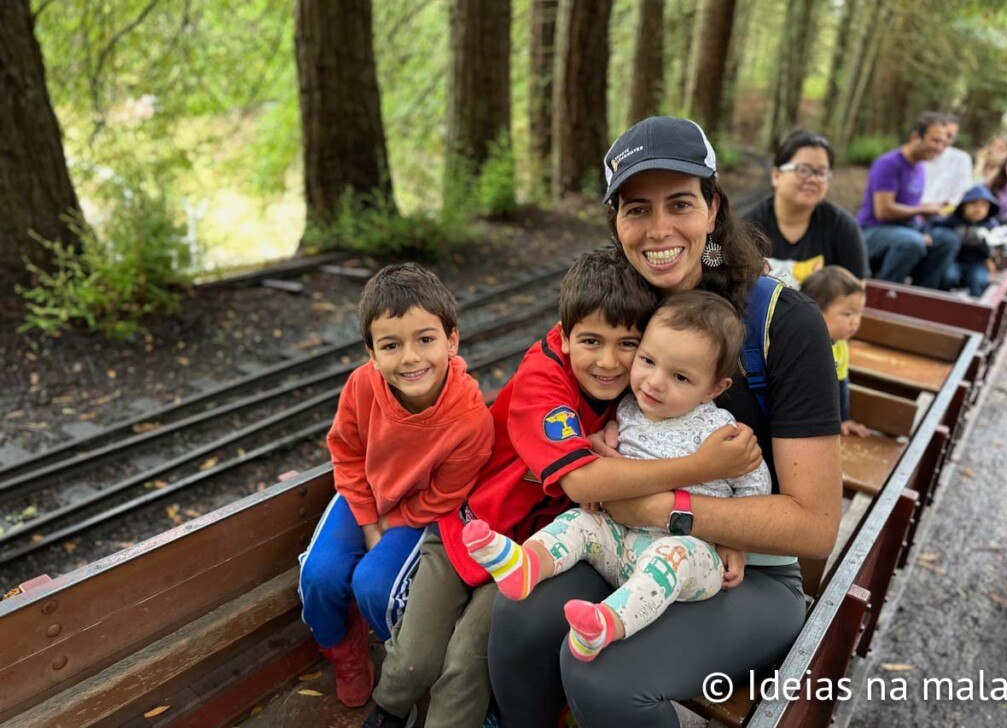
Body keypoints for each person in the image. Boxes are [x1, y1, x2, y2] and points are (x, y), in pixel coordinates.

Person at [488, 116, 842, 728]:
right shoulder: (623, 304)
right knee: (519, 615)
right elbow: (550, 374)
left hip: (745, 575)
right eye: (635, 210)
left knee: (601, 672)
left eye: (679, 202)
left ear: (713, 209)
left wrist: (661, 508)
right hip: (624, 548)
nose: (658, 230)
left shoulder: (783, 326)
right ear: (615, 224)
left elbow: (815, 528)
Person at [361, 248, 662, 728]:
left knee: (465, 663)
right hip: (466, 529)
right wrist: (697, 466)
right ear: (564, 338)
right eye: (591, 341)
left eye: (628, 344)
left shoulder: (638, 385)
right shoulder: (541, 379)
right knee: (414, 656)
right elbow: (580, 477)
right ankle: (389, 709)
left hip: (522, 556)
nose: (609, 362)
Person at [464, 291, 768, 663]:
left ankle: (607, 623)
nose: (654, 382)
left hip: (692, 555)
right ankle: (528, 564)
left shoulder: (721, 431)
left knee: (672, 554)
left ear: (714, 389)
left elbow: (754, 486)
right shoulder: (627, 406)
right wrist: (595, 446)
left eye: (680, 377)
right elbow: (604, 463)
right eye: (647, 361)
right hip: (621, 542)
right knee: (578, 521)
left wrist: (734, 542)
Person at [297, 263, 495, 708]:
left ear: (452, 340)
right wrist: (370, 522)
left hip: (420, 509)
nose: (410, 358)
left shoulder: (470, 421)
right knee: (319, 575)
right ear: (371, 353)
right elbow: (346, 451)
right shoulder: (362, 385)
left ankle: (400, 659)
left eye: (425, 339)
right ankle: (344, 650)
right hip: (364, 492)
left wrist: (391, 521)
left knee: (375, 585)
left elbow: (446, 495)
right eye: (391, 345)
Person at [743, 130, 867, 287]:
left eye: (821, 172)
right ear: (776, 175)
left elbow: (855, 293)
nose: (813, 179)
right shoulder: (749, 227)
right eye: (803, 170)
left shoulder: (842, 227)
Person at [856, 111, 961, 288]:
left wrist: (934, 207)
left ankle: (922, 294)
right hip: (871, 231)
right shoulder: (889, 163)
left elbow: (910, 206)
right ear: (915, 137)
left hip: (905, 228)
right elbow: (884, 211)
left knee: (948, 240)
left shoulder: (919, 167)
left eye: (944, 143)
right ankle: (886, 294)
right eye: (935, 140)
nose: (940, 148)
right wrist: (922, 212)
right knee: (911, 242)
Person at [799, 267, 870, 436]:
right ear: (814, 311)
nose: (855, 322)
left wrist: (843, 419)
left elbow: (840, 385)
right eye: (847, 314)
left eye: (859, 313)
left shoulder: (839, 346)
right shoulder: (799, 344)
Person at [931, 185, 1003, 297]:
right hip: (954, 260)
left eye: (984, 205)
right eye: (974, 204)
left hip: (977, 263)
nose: (978, 209)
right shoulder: (952, 221)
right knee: (948, 277)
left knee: (979, 281)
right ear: (963, 206)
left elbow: (997, 247)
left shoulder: (991, 226)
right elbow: (935, 225)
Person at [921, 114, 974, 206]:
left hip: (943, 214)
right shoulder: (916, 157)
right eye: (938, 137)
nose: (943, 140)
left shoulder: (962, 159)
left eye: (949, 136)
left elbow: (959, 196)